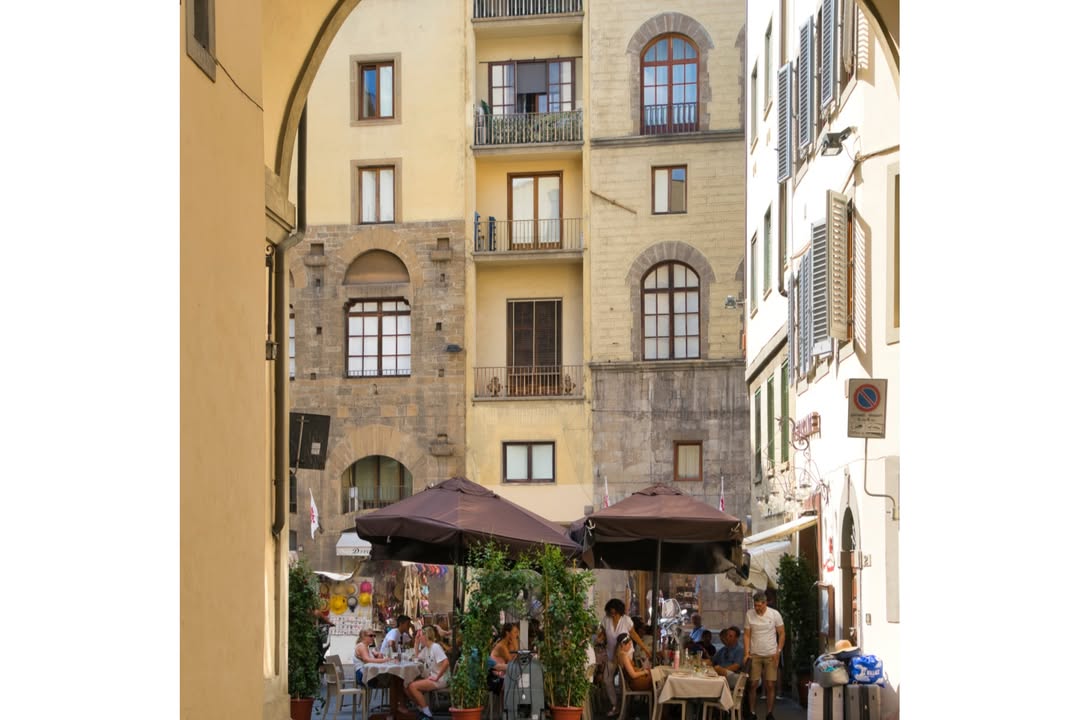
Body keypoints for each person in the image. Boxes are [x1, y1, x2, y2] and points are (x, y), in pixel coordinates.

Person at [597, 598, 650, 717]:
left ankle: (625, 707)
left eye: (615, 613)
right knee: (607, 680)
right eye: (611, 612)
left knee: (623, 681)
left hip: (625, 654)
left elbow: (634, 635)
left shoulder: (626, 620)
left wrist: (644, 648)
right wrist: (599, 638)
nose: (613, 615)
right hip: (611, 654)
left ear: (619, 612)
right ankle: (615, 704)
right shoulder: (606, 620)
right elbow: (604, 634)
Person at [743, 592, 784, 720]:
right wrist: (746, 653)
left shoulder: (774, 614)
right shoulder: (749, 614)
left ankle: (769, 713)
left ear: (765, 603)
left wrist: (778, 651)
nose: (757, 608)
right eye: (755, 605)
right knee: (753, 684)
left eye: (759, 606)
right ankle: (752, 712)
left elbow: (782, 633)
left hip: (771, 654)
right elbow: (747, 635)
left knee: (770, 684)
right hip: (755, 654)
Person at [402, 625, 450, 719]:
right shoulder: (427, 648)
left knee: (413, 686)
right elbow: (417, 657)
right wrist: (416, 642)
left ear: (426, 636)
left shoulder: (435, 647)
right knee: (406, 686)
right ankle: (422, 709)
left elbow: (446, 663)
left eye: (420, 636)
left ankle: (427, 714)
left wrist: (437, 677)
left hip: (441, 679)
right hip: (433, 677)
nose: (419, 638)